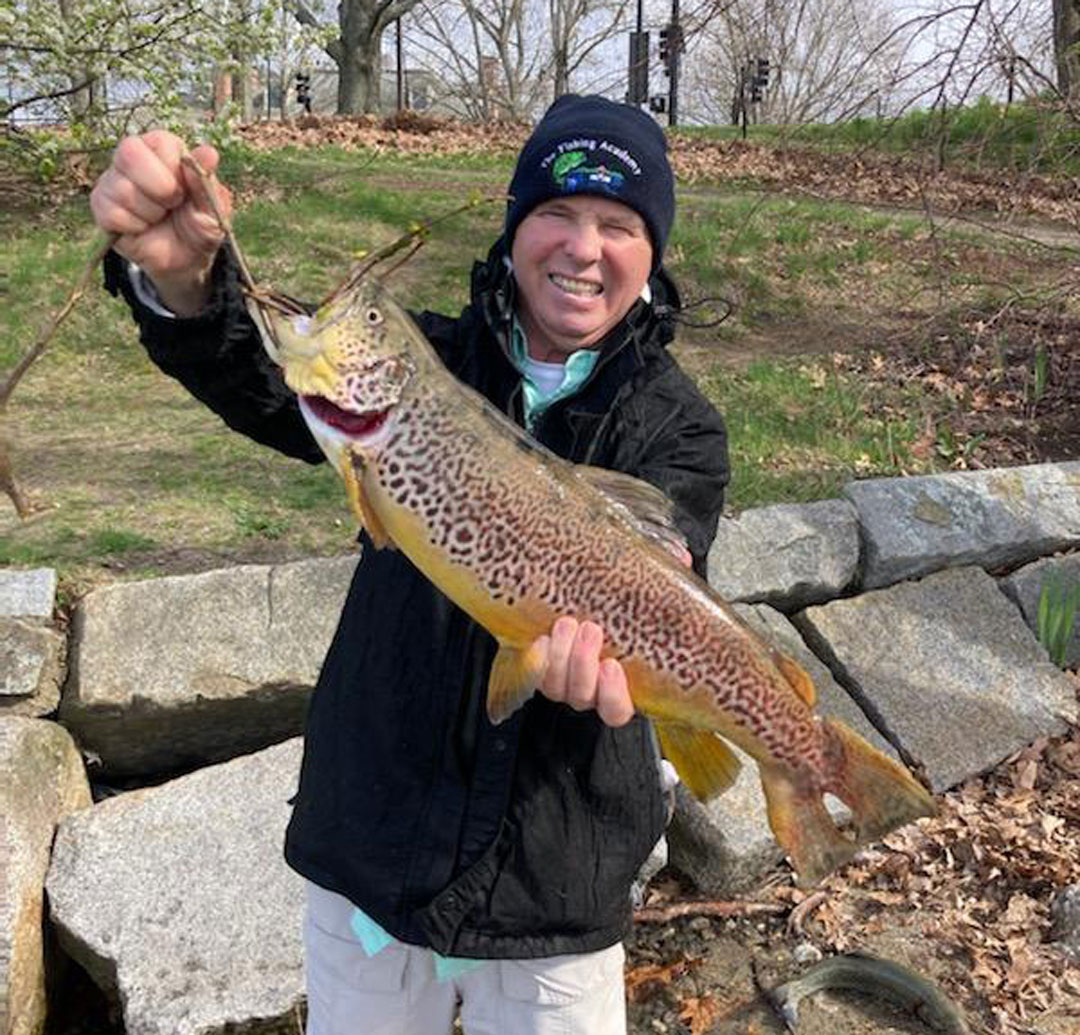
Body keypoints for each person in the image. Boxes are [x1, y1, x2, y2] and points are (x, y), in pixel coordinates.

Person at [90, 94, 730, 1035]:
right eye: (555, 210)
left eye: (619, 224)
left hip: (561, 869)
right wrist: (190, 284)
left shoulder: (683, 428)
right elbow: (266, 379)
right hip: (373, 842)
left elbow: (673, 558)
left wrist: (649, 628)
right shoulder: (421, 363)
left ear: (654, 251)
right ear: (514, 225)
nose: (582, 247)